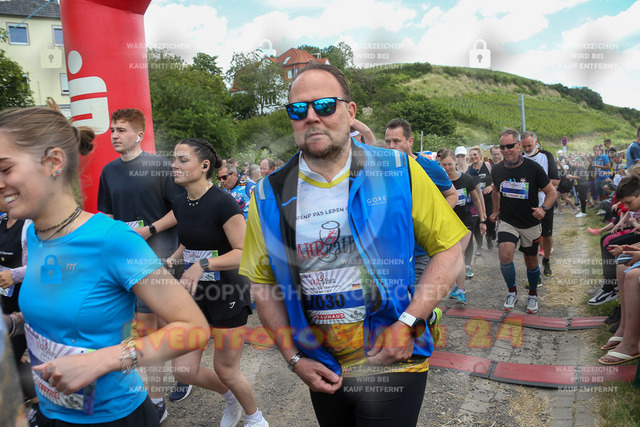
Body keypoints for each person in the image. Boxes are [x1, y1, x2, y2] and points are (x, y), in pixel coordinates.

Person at [240, 63, 466, 426]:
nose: (311, 116)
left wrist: (410, 321)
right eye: (298, 109)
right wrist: (293, 358)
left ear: (350, 111)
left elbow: (449, 249)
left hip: (392, 360)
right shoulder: (268, 193)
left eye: (324, 105)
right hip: (324, 367)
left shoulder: (398, 169)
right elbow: (263, 284)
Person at [0, 106, 208, 425]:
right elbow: (65, 307)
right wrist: (12, 323)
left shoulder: (113, 240)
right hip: (52, 414)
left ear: (54, 162)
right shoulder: (36, 236)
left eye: (5, 168)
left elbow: (193, 330)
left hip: (113, 418)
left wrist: (104, 360)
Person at [167, 138, 268, 427]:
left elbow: (243, 251)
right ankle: (230, 398)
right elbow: (191, 240)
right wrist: (171, 260)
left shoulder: (223, 203)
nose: (174, 165)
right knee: (184, 370)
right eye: (174, 159)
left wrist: (203, 265)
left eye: (182, 160)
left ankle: (255, 418)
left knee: (226, 369)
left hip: (228, 294)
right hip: (194, 296)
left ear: (204, 166)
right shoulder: (180, 202)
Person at [97, 108, 185, 419]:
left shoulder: (159, 165)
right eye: (112, 130)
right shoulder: (108, 171)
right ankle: (165, 385)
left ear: (139, 134)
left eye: (121, 130)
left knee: (154, 326)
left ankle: (159, 396)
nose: (114, 136)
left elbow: (180, 210)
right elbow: (107, 215)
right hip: (124, 260)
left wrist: (149, 230)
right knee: (144, 327)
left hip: (159, 255)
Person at [490, 128, 557, 314]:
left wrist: (543, 209)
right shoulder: (497, 169)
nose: (506, 150)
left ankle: (533, 294)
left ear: (518, 145)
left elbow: (551, 192)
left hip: (530, 222)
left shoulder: (533, 168)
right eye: (502, 147)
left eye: (510, 146)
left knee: (531, 261)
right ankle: (512, 292)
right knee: (505, 255)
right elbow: (496, 190)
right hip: (508, 221)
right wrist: (495, 211)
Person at [439, 149, 486, 305]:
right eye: (444, 165)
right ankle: (455, 286)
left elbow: (476, 200)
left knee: (460, 253)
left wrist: (482, 220)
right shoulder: (438, 181)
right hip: (447, 224)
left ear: (456, 162)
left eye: (450, 164)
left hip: (465, 221)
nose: (447, 168)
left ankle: (460, 291)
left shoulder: (466, 179)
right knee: (450, 256)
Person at [521, 132, 559, 277]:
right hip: (527, 204)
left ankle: (547, 259)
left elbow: (555, 180)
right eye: (524, 146)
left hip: (545, 201)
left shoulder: (546, 156)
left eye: (529, 146)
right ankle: (533, 269)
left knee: (547, 235)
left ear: (536, 143)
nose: (527, 149)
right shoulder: (520, 158)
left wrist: (536, 186)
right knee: (530, 238)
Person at [468, 146, 495, 251]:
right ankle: (479, 244)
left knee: (490, 220)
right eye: (471, 155)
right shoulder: (469, 168)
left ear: (480, 155)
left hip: (488, 199)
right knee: (478, 221)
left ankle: (489, 236)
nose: (473, 157)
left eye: (475, 154)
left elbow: (496, 180)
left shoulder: (488, 166)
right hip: (475, 200)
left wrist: (491, 186)